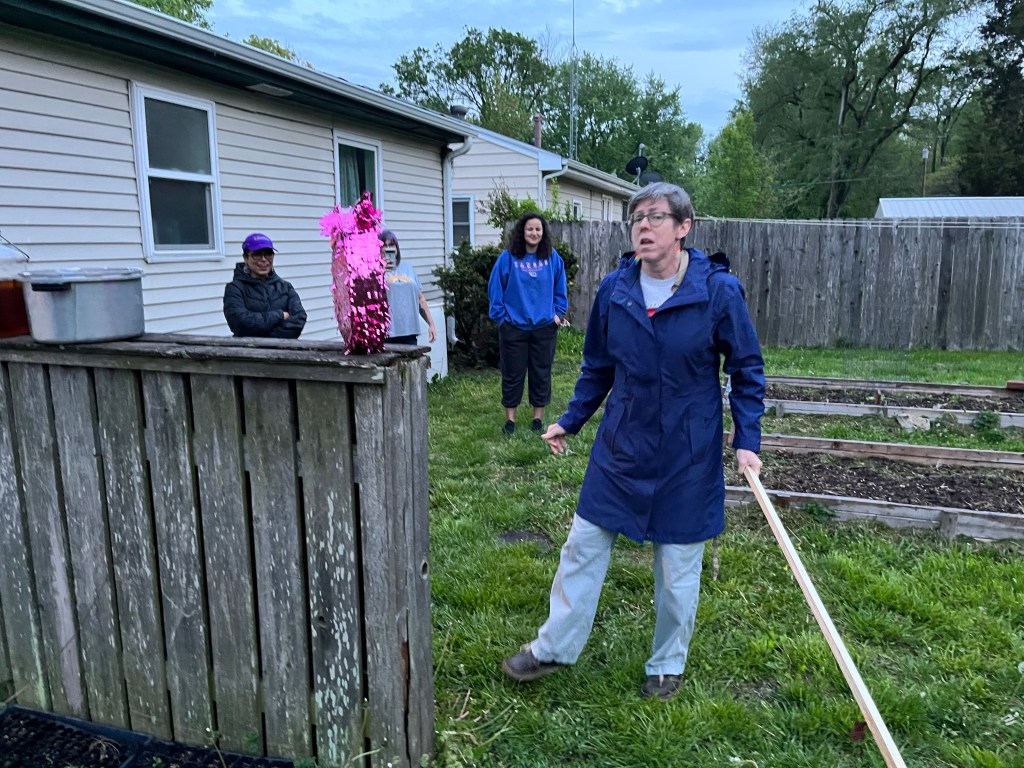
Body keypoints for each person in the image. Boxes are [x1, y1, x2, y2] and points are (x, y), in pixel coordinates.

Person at [501, 183, 765, 701]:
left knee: (677, 568)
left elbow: (746, 368)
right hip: (621, 444)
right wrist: (571, 420)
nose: (643, 225)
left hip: (688, 452)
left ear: (684, 227)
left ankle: (667, 663)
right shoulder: (615, 290)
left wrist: (746, 439)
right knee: (582, 546)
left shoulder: (717, 291)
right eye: (636, 217)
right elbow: (598, 366)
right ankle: (553, 647)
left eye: (655, 216)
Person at [487, 212, 569, 435]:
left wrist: (557, 315)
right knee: (512, 374)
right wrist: (501, 318)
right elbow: (495, 288)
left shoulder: (552, 258)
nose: (534, 233)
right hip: (513, 327)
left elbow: (560, 289)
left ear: (543, 233)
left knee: (541, 373)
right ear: (522, 232)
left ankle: (537, 419)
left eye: (538, 229)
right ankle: (510, 420)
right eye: (530, 229)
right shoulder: (508, 258)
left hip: (544, 328)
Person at [223, 233, 306, 338]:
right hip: (249, 348)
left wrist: (265, 337)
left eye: (268, 254)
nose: (263, 259)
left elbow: (299, 320)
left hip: (283, 348)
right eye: (257, 254)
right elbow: (240, 323)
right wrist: (280, 315)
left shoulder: (286, 287)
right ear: (245, 257)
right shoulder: (235, 289)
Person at [380, 230, 437, 346]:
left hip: (410, 331)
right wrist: (381, 270)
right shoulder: (374, 271)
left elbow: (420, 299)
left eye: (391, 245)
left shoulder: (408, 268)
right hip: (388, 333)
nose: (388, 249)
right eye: (384, 246)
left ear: (397, 248)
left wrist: (431, 324)